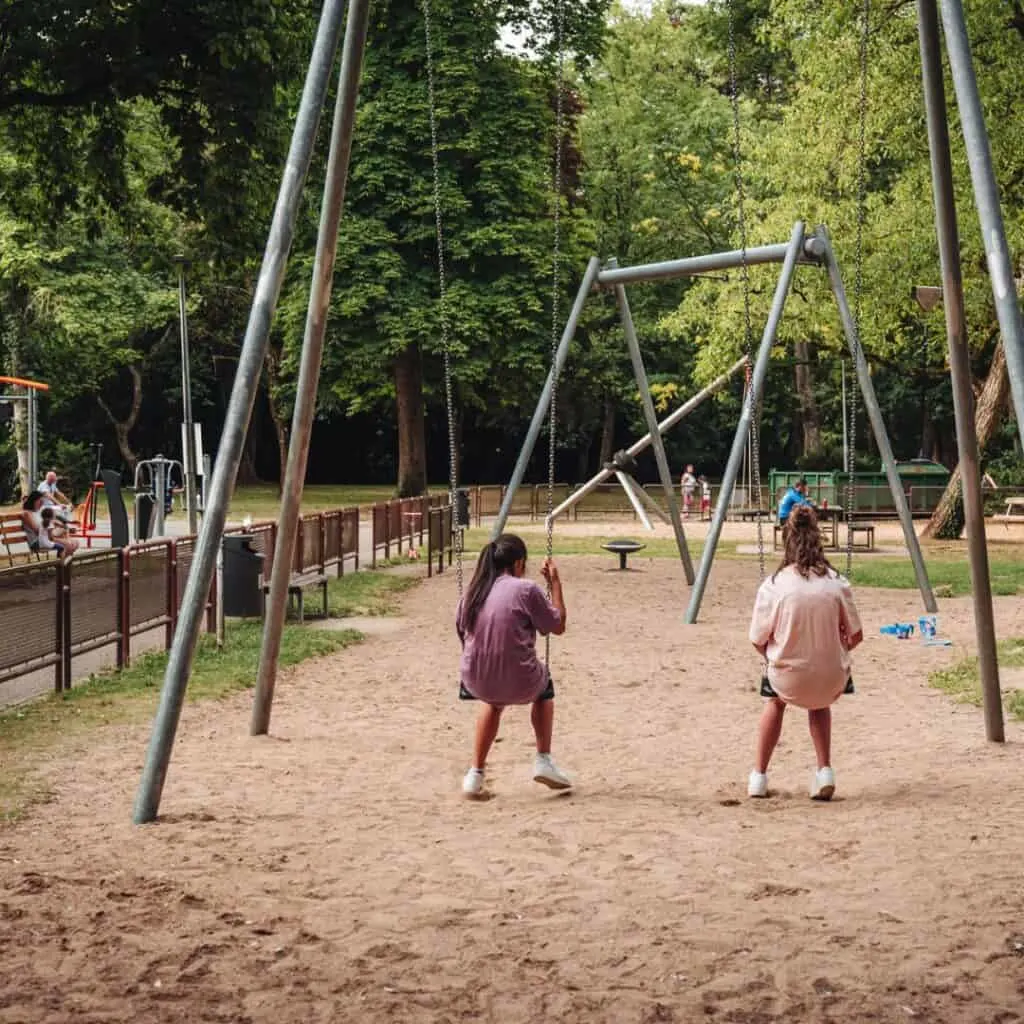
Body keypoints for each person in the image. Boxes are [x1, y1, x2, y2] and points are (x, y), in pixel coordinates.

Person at [747, 505, 862, 800]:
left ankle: (758, 777)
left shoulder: (774, 585)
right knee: (820, 703)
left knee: (774, 701)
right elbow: (856, 636)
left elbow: (757, 639)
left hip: (788, 679)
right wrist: (834, 648)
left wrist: (776, 653)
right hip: (830, 678)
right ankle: (825, 771)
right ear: (818, 538)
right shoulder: (836, 582)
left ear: (787, 539)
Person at [457, 533, 571, 797]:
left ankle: (475, 773)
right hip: (520, 680)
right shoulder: (526, 589)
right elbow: (558, 625)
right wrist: (554, 582)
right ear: (519, 563)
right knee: (545, 690)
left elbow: (463, 634)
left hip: (475, 681)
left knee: (493, 702)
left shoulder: (472, 593)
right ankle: (543, 759)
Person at [20, 491, 78, 557]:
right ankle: (62, 564)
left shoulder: (39, 511)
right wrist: (53, 531)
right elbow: (37, 531)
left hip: (46, 537)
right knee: (69, 545)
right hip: (38, 541)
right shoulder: (26, 514)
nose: (42, 503)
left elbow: (48, 522)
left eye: (42, 501)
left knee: (75, 543)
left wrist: (58, 526)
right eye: (40, 501)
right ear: (33, 501)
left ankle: (62, 563)